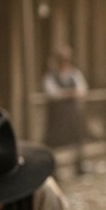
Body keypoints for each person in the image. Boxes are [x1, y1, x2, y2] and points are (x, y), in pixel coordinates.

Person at [41, 46, 90, 175]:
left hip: (73, 113)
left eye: (65, 60)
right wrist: (69, 93)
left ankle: (79, 166)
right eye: (61, 60)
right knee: (54, 141)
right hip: (57, 115)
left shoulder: (75, 74)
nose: (64, 63)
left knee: (77, 139)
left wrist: (67, 94)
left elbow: (82, 91)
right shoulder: (51, 76)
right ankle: (54, 170)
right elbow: (53, 93)